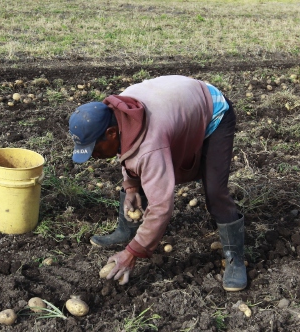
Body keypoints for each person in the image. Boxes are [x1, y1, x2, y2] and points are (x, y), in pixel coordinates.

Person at [68, 75, 247, 291]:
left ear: (111, 133)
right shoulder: (118, 113)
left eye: (94, 149)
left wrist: (133, 253)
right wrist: (131, 187)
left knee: (215, 190)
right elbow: (127, 150)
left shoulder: (150, 145)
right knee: (147, 167)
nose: (94, 156)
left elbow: (162, 206)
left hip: (212, 110)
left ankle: (235, 258)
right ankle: (128, 229)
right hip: (177, 102)